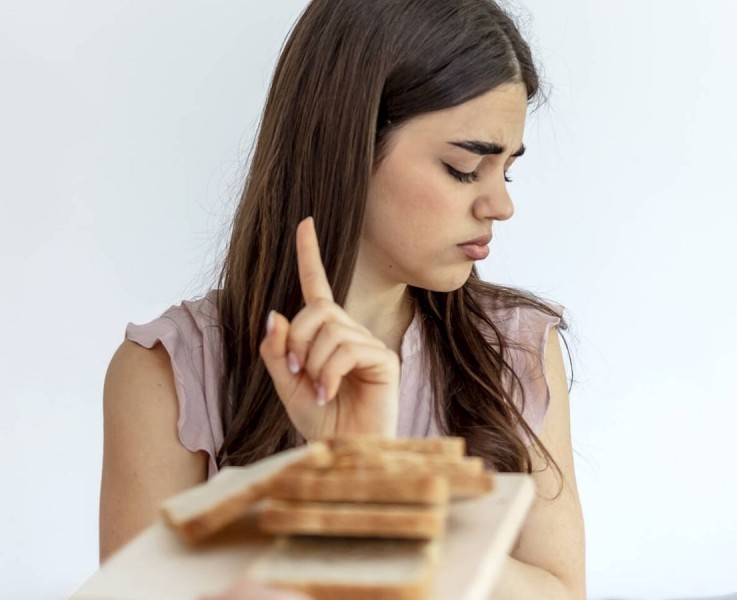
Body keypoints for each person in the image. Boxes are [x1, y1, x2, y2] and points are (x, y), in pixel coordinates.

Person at [98, 0, 586, 598]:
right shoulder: (169, 373)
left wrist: (380, 493)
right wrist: (324, 491)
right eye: (464, 168)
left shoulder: (514, 348)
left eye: (506, 171)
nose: (500, 206)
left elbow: (561, 592)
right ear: (347, 146)